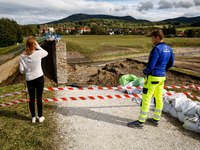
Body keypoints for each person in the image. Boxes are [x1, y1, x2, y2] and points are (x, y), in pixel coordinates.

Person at [127, 29, 174, 128]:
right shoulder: (169, 49)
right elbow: (171, 64)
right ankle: (156, 119)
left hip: (153, 77)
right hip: (162, 77)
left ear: (157, 37)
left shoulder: (156, 49)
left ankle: (140, 122)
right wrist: (162, 70)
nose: (151, 40)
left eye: (152, 38)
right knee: (158, 98)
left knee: (146, 98)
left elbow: (151, 65)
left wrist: (145, 72)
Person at [19, 36, 48, 123]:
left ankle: (33, 117)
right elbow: (46, 53)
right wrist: (38, 46)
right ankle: (40, 116)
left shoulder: (22, 56)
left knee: (31, 98)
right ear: (34, 44)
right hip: (39, 77)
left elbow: (21, 70)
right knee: (39, 97)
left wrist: (27, 70)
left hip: (29, 79)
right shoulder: (38, 53)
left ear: (26, 45)